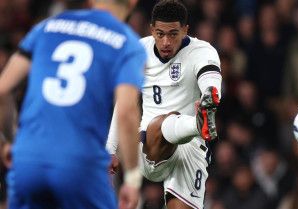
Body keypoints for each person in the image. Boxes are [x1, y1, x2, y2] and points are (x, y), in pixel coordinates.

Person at [0, 0, 146, 208]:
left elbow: (3, 90)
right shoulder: (127, 43)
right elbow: (126, 112)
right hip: (80, 165)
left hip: (27, 160)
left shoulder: (47, 26)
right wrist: (132, 179)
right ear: (133, 2)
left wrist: (13, 140)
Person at [106, 0, 222, 208]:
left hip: (192, 148)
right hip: (150, 143)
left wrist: (209, 96)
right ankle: (198, 123)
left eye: (173, 34)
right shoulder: (139, 51)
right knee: (166, 120)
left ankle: (199, 121)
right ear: (151, 30)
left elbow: (210, 80)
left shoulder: (202, 51)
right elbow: (124, 102)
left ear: (185, 30)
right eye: (160, 34)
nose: (166, 42)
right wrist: (110, 148)